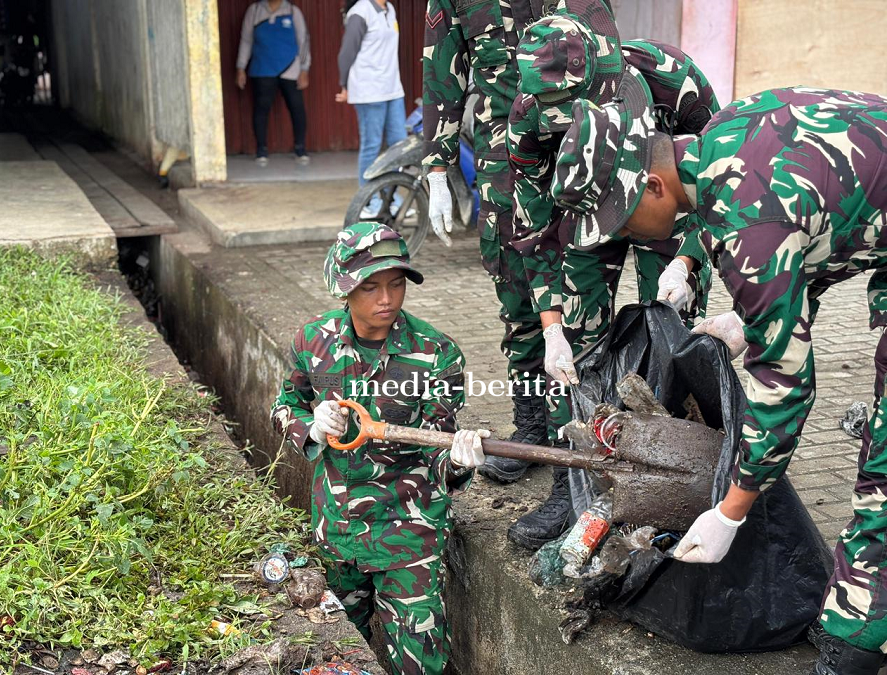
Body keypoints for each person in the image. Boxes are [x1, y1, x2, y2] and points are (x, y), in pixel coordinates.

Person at [551, 76, 887, 675]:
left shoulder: (748, 225)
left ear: (653, 186)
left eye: (622, 221)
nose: (626, 237)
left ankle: (857, 640)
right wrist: (745, 308)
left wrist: (730, 511)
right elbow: (813, 220)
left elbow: (783, 390)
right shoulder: (724, 134)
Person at [504, 16, 718, 550]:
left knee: (672, 335)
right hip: (584, 214)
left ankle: (672, 479)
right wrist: (551, 328)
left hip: (662, 200)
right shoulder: (528, 117)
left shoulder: (672, 79)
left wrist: (689, 263)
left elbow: (717, 183)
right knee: (575, 341)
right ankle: (569, 484)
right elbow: (535, 233)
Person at [270, 222, 489, 675]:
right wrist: (311, 427)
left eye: (396, 285)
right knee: (331, 654)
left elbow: (440, 446)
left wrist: (459, 462)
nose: (386, 299)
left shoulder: (436, 354)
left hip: (407, 533)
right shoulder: (314, 343)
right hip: (337, 529)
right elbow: (285, 404)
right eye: (370, 287)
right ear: (344, 289)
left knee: (418, 660)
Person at [422, 0, 580, 498]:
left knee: (579, 288)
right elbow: (442, 72)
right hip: (503, 165)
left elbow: (606, 50)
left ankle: (576, 435)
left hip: (575, 148)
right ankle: (532, 427)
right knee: (516, 294)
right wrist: (436, 166)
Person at [337, 0, 406, 219]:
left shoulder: (390, 9)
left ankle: (390, 199)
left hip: (393, 89)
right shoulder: (360, 13)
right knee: (372, 146)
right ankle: (369, 201)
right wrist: (344, 85)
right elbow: (346, 53)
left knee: (399, 145)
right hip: (369, 91)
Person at [236, 0, 311, 167]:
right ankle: (261, 150)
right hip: (262, 68)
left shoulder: (293, 11)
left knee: (297, 108)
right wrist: (240, 67)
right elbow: (246, 40)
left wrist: (304, 69)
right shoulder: (254, 11)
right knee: (261, 109)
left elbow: (303, 41)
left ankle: (300, 148)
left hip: (290, 68)